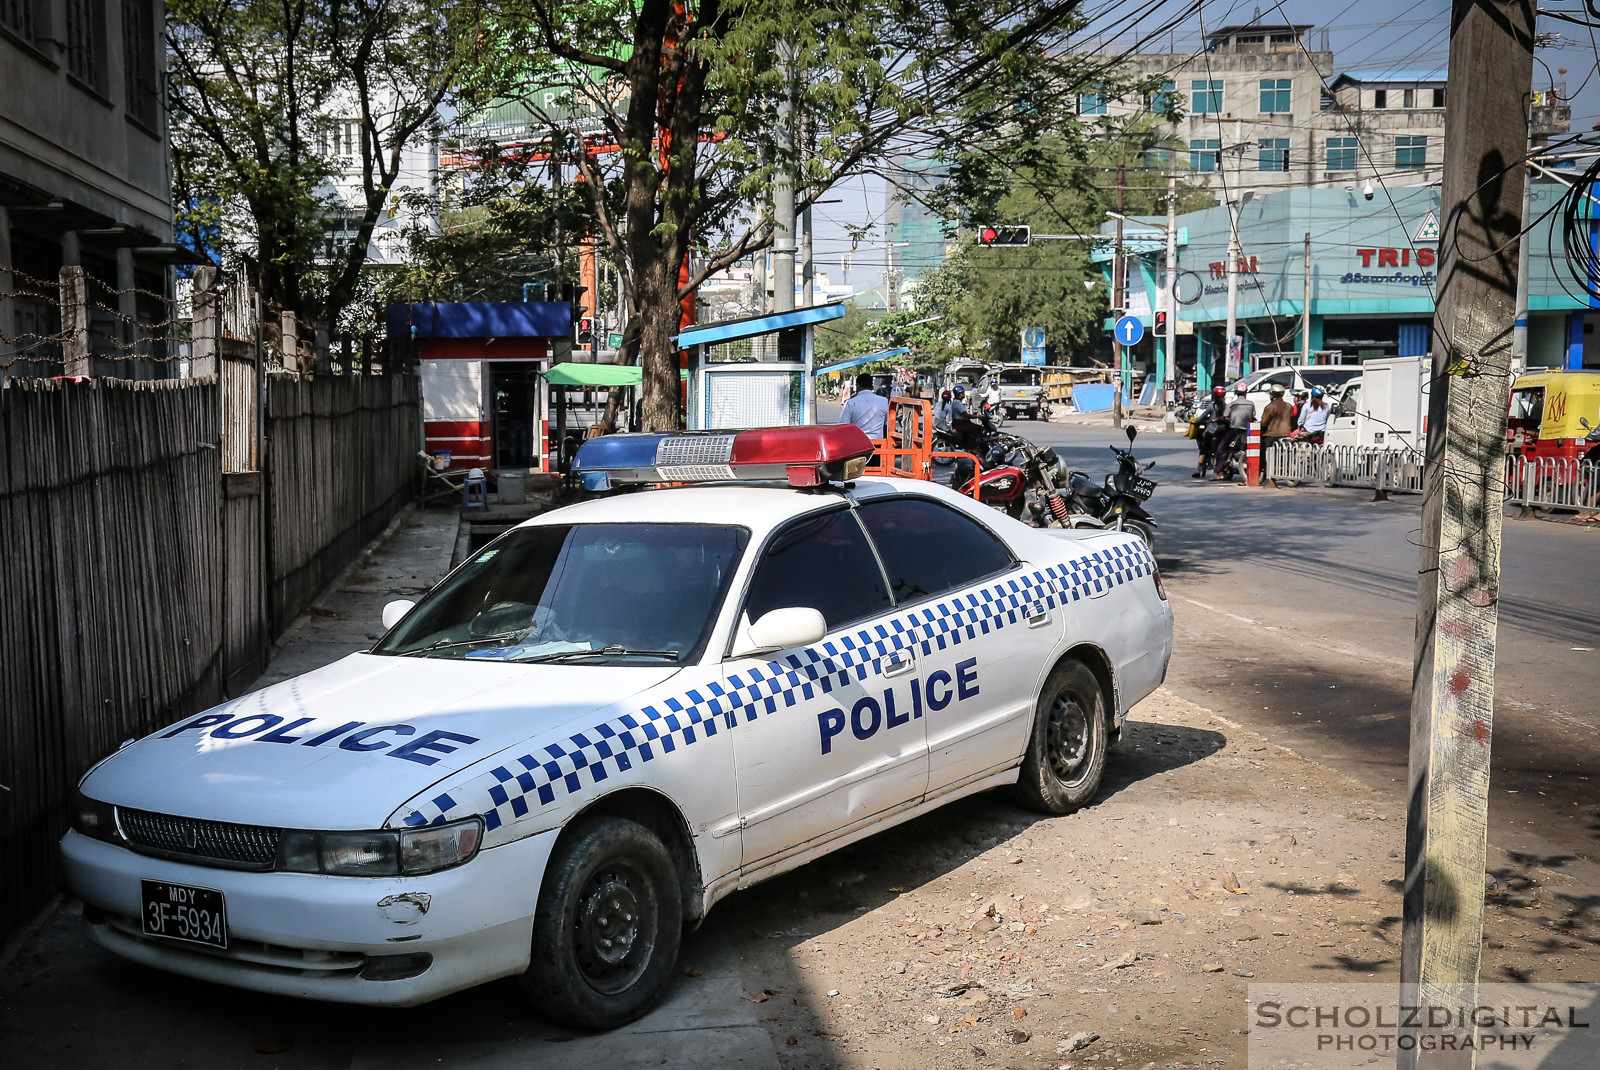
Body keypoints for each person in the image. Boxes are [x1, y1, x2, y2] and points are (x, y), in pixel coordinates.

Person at [1215, 382, 1256, 481]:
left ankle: (1220, 472)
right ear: (1245, 392)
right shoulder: (1251, 404)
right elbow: (1253, 415)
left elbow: (1225, 416)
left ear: (1236, 393)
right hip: (1248, 430)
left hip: (1235, 430)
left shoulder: (1232, 405)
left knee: (1221, 449)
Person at [840, 372, 889, 441]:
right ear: (872, 387)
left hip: (858, 444)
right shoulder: (883, 401)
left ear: (857, 385)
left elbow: (843, 426)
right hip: (878, 444)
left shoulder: (851, 403)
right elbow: (888, 423)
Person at [1192, 386, 1227, 478]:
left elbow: (1203, 417)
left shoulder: (1211, 406)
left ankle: (1198, 470)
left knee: (1204, 449)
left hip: (1211, 431)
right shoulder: (1227, 407)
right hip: (1223, 431)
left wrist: (1196, 421)